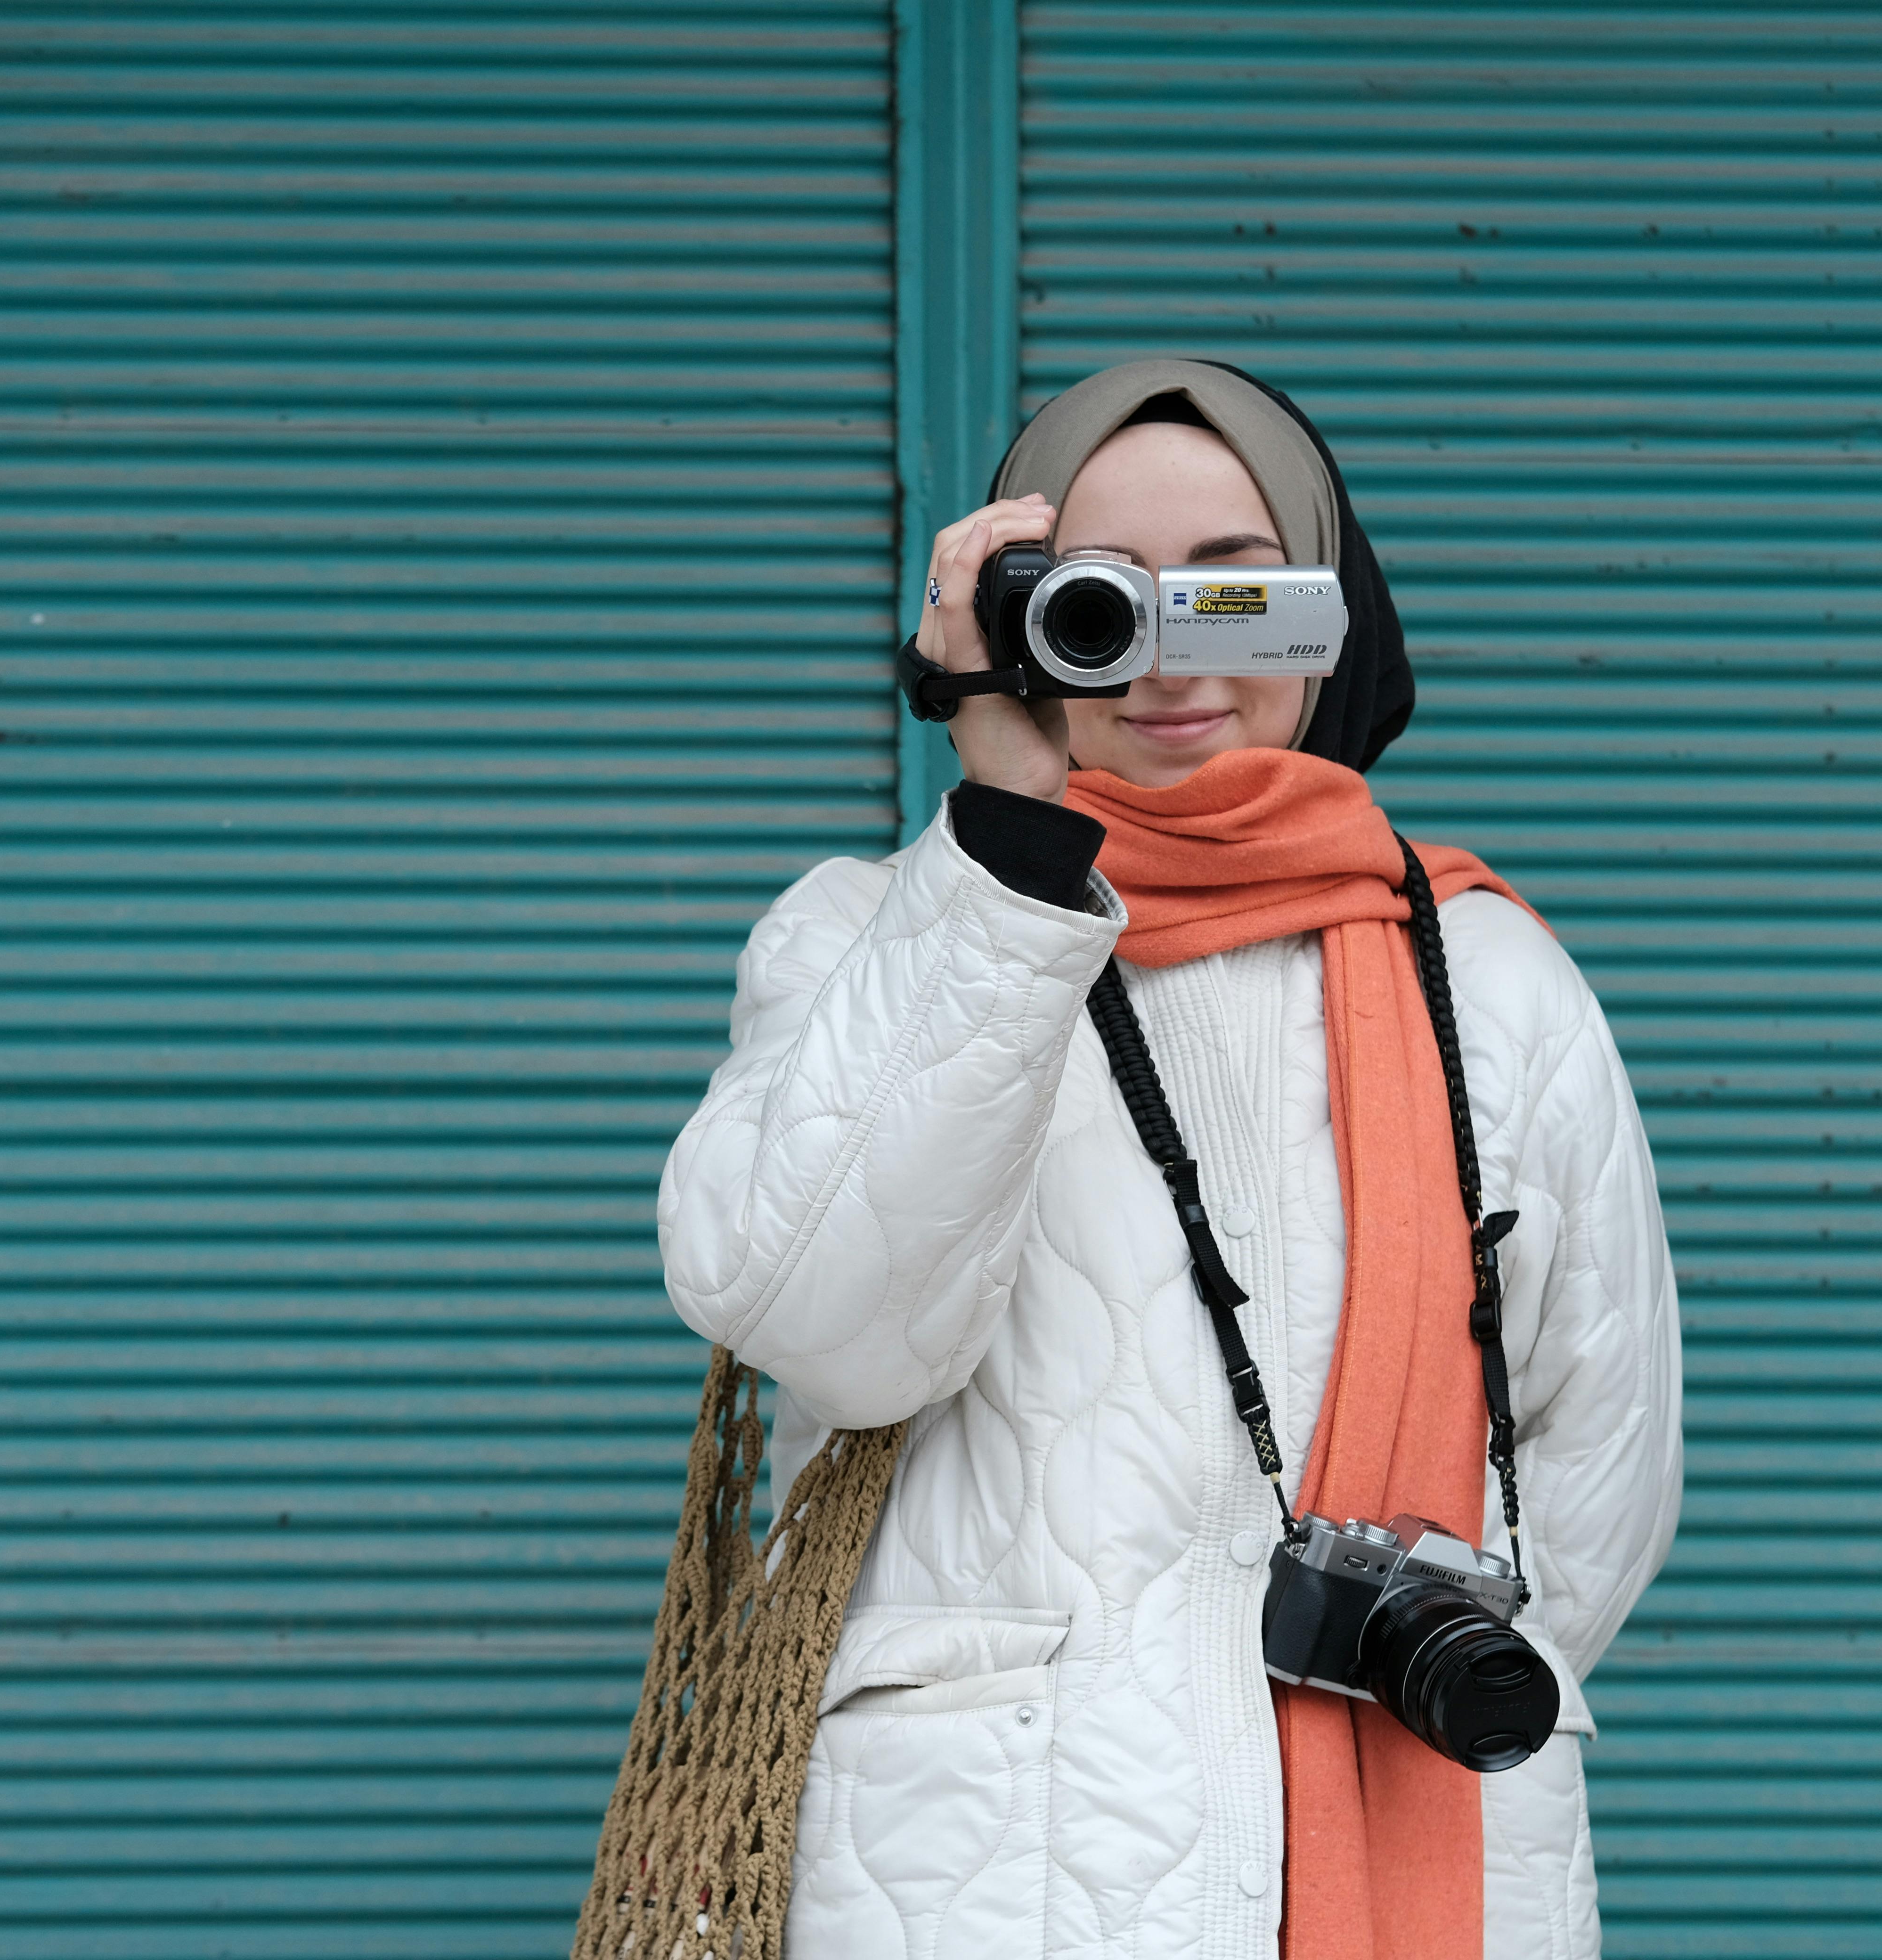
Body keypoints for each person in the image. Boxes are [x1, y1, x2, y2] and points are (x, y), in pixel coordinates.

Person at [658, 359, 1682, 1960]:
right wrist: (1004, 846)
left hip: (1429, 1854)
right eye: (1099, 600)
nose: (1166, 657)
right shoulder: (882, 940)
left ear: (1325, 610)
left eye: (1231, 590)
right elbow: (824, 1331)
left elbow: (1598, 1474)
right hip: (989, 1887)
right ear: (1012, 622)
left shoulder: (1487, 978)